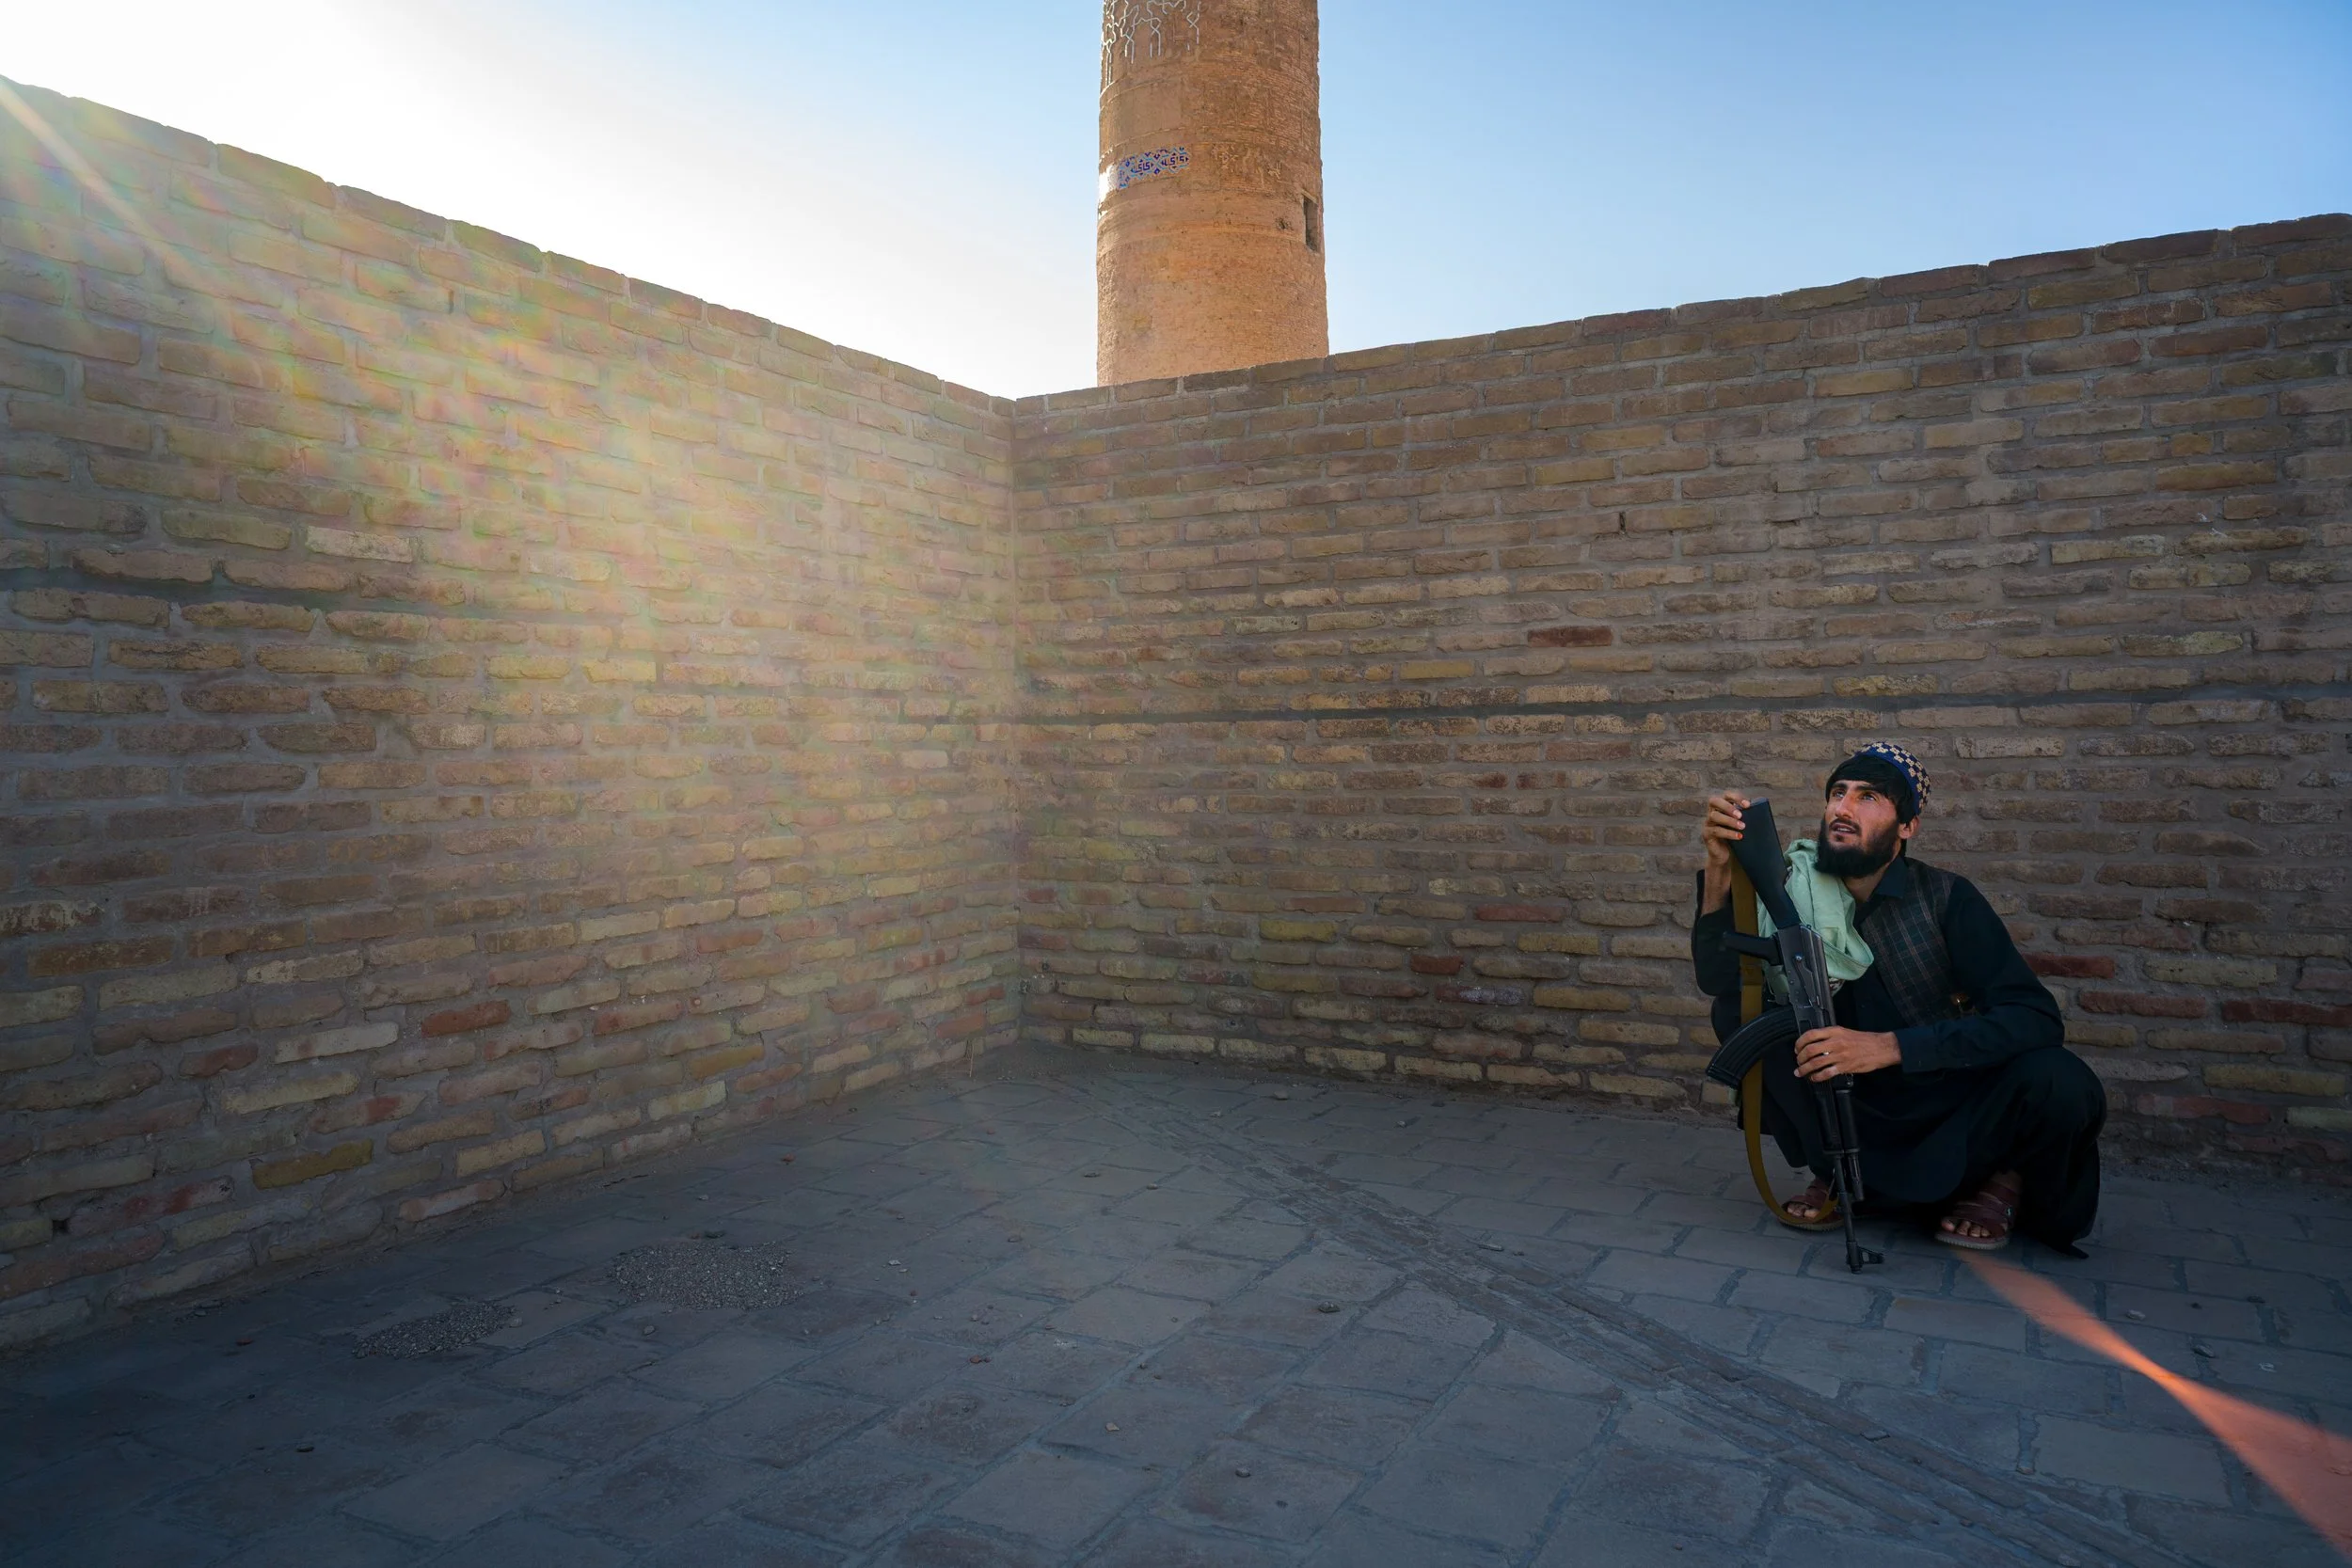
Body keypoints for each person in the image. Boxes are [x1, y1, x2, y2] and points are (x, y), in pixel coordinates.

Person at [1690, 743, 2106, 1253]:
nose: (1842, 809)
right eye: (1837, 794)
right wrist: (1718, 870)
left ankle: (2001, 1182)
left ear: (1907, 827)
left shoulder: (1947, 899)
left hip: (1944, 1103)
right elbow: (1718, 979)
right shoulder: (1793, 890)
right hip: (1843, 1099)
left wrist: (1890, 1047)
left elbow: (2035, 1019)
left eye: (1868, 798)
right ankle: (1838, 1173)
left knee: (2061, 1079)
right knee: (1739, 1015)